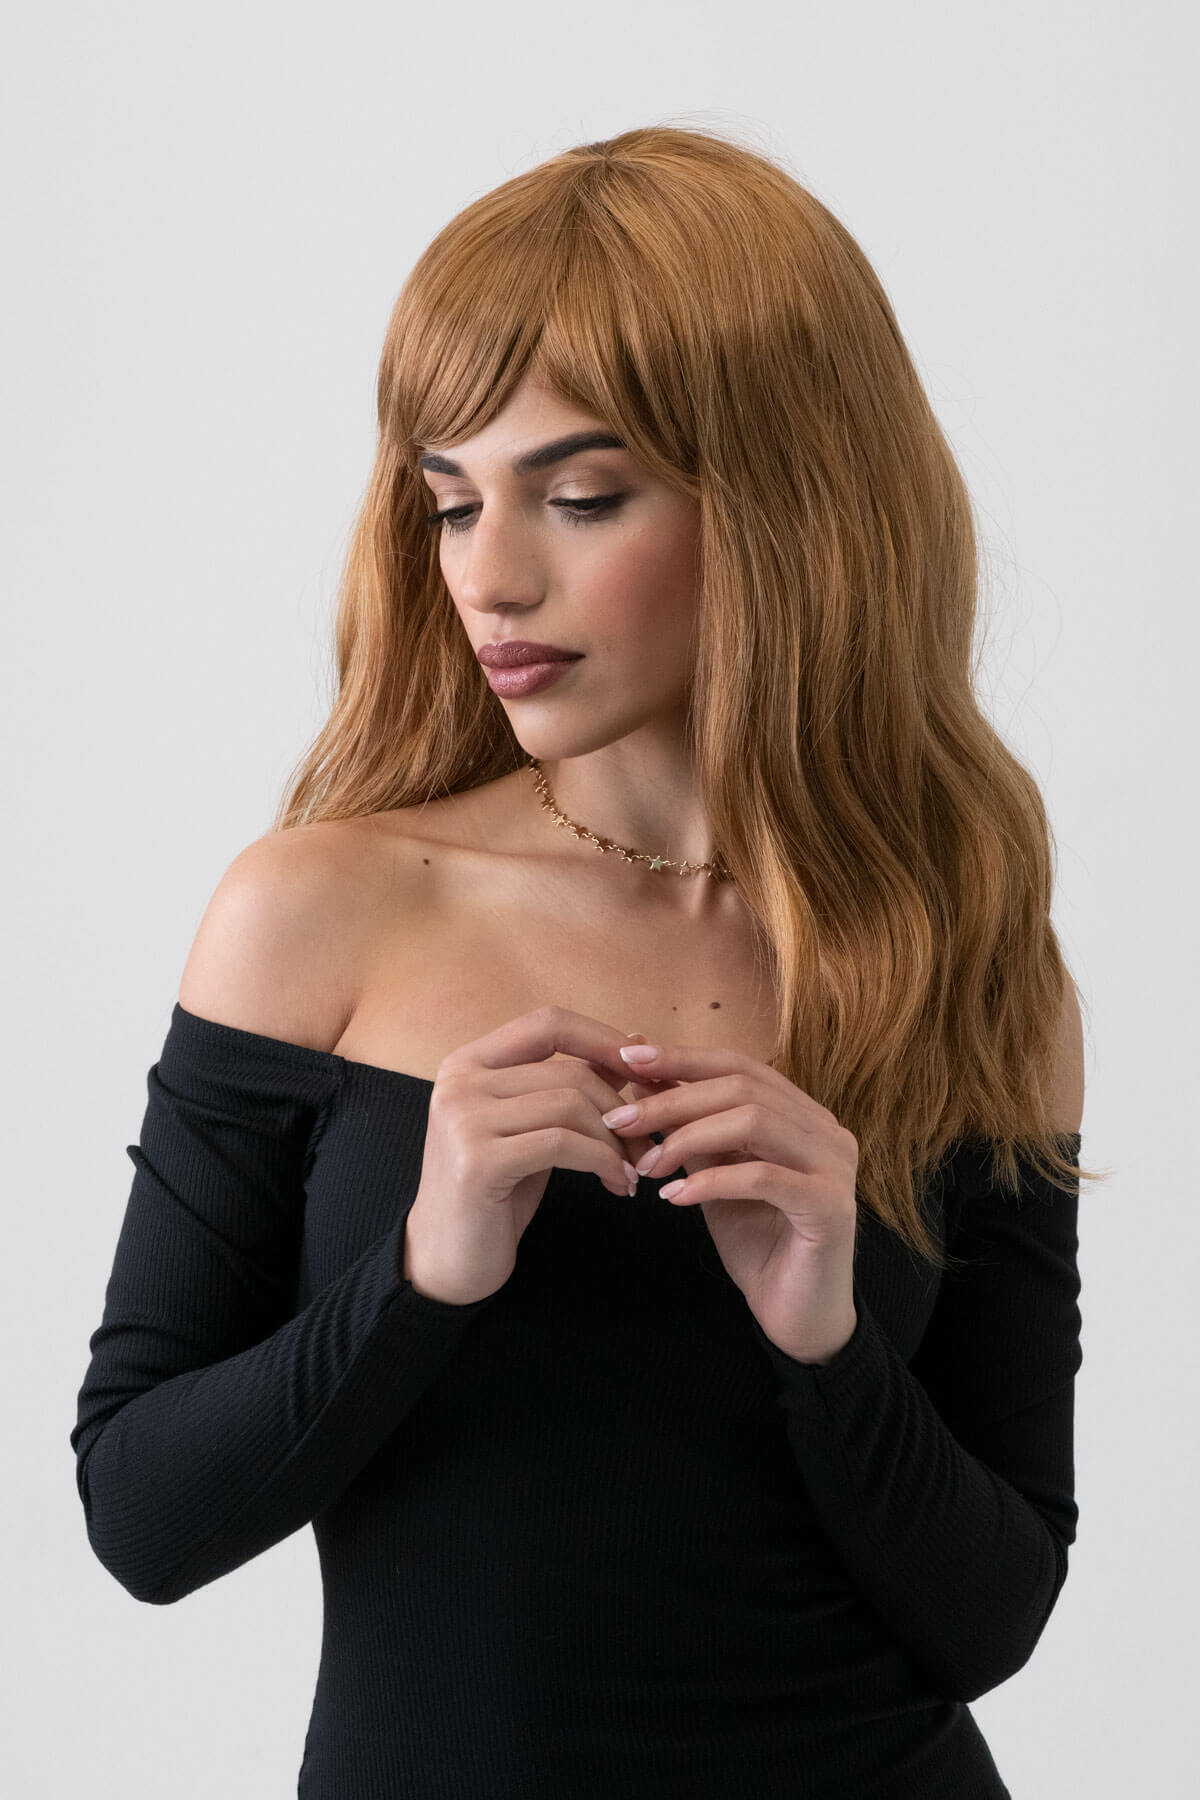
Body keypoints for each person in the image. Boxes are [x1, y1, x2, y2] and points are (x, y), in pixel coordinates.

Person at [70, 124, 1101, 1798]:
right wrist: (419, 1278)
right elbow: (141, 1518)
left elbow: (994, 1614)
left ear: (787, 499)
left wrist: (827, 1337)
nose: (490, 573)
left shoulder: (970, 971)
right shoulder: (322, 914)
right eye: (452, 497)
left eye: (580, 494)